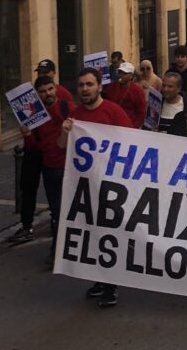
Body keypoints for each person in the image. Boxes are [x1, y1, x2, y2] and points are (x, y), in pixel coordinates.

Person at [59, 68, 133, 308]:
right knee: (91, 235)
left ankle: (112, 285)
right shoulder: (75, 115)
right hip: (84, 188)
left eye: (89, 84)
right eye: (81, 85)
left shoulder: (113, 112)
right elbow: (62, 147)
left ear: (100, 86)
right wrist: (65, 132)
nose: (85, 89)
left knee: (109, 235)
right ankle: (100, 279)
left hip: (111, 188)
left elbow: (132, 145)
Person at [9, 59, 74, 244]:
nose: (43, 75)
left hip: (56, 156)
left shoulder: (64, 97)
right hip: (35, 151)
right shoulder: (31, 98)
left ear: (54, 74)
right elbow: (31, 130)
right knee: (27, 188)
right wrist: (27, 134)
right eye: (40, 72)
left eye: (46, 72)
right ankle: (27, 226)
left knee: (57, 198)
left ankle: (60, 239)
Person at [18, 75, 75, 265]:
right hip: (50, 169)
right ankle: (57, 251)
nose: (47, 93)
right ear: (37, 94)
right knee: (56, 212)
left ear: (55, 88)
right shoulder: (35, 116)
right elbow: (35, 145)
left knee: (73, 210)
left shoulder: (67, 107)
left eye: (50, 89)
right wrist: (27, 135)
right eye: (42, 91)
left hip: (70, 168)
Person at [103, 62, 147, 129]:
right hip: (111, 126)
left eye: (124, 73)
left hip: (129, 127)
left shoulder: (137, 91)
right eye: (120, 72)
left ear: (131, 76)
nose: (121, 75)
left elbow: (141, 112)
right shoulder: (110, 87)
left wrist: (134, 127)